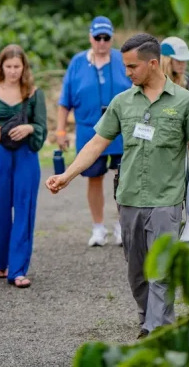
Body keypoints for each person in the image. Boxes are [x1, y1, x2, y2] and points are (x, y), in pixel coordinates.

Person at [46, 33, 189, 338]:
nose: (127, 72)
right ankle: (148, 316)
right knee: (137, 272)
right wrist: (67, 175)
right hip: (130, 198)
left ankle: (155, 328)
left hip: (167, 199)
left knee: (160, 271)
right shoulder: (123, 102)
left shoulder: (185, 101)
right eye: (125, 66)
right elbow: (97, 142)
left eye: (132, 66)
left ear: (152, 64)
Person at [56, 16, 132, 247]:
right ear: (90, 37)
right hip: (89, 131)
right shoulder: (78, 62)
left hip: (121, 130)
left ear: (112, 38)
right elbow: (65, 101)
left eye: (106, 38)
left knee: (124, 179)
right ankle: (98, 227)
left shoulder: (122, 59)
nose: (101, 42)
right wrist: (60, 131)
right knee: (94, 177)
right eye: (97, 37)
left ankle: (122, 225)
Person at [0, 45, 48, 288]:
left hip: (26, 154)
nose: (13, 71)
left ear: (24, 68)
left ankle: (18, 268)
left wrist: (30, 128)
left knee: (25, 208)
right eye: (8, 66)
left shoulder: (33, 92)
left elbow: (42, 126)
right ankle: (0, 262)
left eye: (17, 66)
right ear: (1, 66)